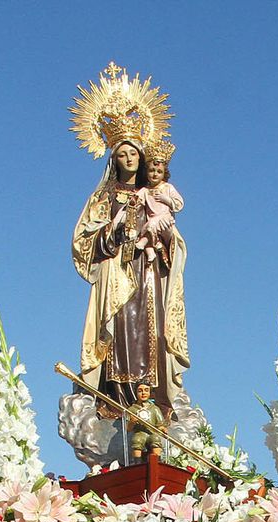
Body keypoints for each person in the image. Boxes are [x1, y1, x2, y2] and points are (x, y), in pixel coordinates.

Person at [73, 135, 189, 415]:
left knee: (152, 329)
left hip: (147, 269)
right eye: (122, 154)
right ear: (114, 159)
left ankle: (153, 396)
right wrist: (115, 228)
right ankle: (117, 395)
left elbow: (172, 234)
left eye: (133, 154)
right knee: (122, 328)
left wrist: (165, 238)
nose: (129, 159)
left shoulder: (151, 193)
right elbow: (85, 239)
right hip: (117, 272)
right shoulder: (104, 196)